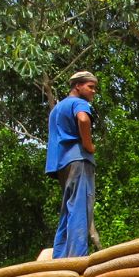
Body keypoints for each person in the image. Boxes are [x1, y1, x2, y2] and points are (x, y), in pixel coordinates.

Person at [46, 70, 98, 258]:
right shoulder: (79, 103)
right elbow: (83, 119)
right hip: (79, 160)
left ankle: (59, 259)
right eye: (90, 87)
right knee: (80, 209)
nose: (93, 92)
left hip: (62, 164)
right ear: (78, 86)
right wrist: (88, 145)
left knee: (67, 210)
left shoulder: (57, 109)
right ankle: (78, 259)